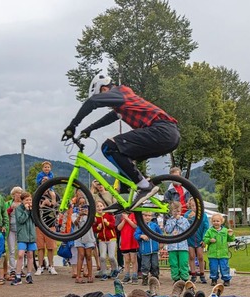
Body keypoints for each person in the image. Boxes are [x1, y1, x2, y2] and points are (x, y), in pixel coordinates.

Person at [63, 72, 180, 211]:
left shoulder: (120, 92)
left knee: (109, 147)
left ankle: (145, 186)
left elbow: (92, 102)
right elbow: (110, 117)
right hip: (168, 137)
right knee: (123, 158)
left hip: (162, 131)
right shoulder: (122, 104)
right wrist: (88, 129)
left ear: (104, 89)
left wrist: (73, 125)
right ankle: (124, 198)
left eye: (102, 94)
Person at [35, 176, 59, 276]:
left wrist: (52, 203)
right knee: (40, 247)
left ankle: (51, 266)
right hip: (39, 224)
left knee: (51, 247)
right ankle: (40, 266)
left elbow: (58, 209)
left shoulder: (55, 195)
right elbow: (33, 208)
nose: (45, 183)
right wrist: (42, 205)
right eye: (43, 181)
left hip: (50, 223)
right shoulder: (37, 194)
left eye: (47, 181)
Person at [203, 213, 234, 287]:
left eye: (217, 221)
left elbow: (231, 239)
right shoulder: (209, 231)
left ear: (221, 221)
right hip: (213, 254)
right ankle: (214, 279)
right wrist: (210, 240)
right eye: (214, 221)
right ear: (211, 222)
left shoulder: (225, 231)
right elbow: (205, 239)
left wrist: (231, 234)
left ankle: (226, 279)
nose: (216, 222)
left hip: (223, 254)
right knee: (213, 267)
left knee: (224, 267)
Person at [13, 191, 37, 285]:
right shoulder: (18, 209)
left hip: (31, 235)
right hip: (22, 235)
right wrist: (26, 211)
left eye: (30, 200)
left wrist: (31, 211)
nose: (29, 201)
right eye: (27, 200)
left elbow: (36, 221)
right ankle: (18, 275)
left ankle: (29, 275)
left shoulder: (33, 209)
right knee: (20, 254)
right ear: (22, 201)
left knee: (30, 255)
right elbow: (21, 220)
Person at [72, 194, 96, 284]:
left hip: (89, 237)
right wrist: (79, 216)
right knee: (81, 255)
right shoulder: (74, 214)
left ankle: (90, 275)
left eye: (83, 203)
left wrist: (88, 214)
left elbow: (94, 222)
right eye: (80, 203)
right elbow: (75, 224)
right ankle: (78, 276)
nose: (82, 205)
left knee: (89, 255)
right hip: (79, 238)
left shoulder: (89, 213)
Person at [165, 201, 191, 284]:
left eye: (178, 211)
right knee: (174, 263)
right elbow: (167, 230)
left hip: (182, 246)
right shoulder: (169, 221)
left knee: (183, 263)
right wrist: (174, 221)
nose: (176, 213)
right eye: (174, 211)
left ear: (181, 211)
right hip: (172, 246)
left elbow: (186, 229)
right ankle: (176, 278)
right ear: (171, 211)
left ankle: (184, 278)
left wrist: (178, 221)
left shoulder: (184, 220)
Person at [134, 212, 161, 291]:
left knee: (155, 265)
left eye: (149, 215)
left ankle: (155, 278)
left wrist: (161, 242)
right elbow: (135, 235)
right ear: (142, 216)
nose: (147, 217)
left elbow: (160, 234)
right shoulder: (140, 226)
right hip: (145, 250)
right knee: (145, 265)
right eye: (145, 215)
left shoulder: (154, 225)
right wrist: (141, 236)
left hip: (154, 250)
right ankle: (145, 278)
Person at [186, 198, 209, 284]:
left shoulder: (203, 215)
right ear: (190, 206)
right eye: (192, 206)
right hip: (190, 239)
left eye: (196, 205)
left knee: (200, 256)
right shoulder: (187, 215)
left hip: (199, 239)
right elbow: (185, 226)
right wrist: (188, 218)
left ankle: (202, 274)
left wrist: (204, 239)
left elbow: (206, 227)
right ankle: (193, 274)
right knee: (191, 256)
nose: (194, 207)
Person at [93, 200, 118, 280]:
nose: (99, 208)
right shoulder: (95, 217)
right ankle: (104, 273)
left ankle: (115, 270)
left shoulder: (109, 214)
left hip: (111, 238)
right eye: (97, 206)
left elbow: (113, 225)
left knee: (111, 256)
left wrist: (107, 223)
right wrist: (98, 228)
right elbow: (94, 229)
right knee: (102, 257)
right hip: (102, 240)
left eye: (101, 206)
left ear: (104, 207)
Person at [5, 186, 22, 279]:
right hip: (11, 228)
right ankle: (12, 269)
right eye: (17, 193)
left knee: (21, 250)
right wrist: (11, 208)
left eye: (20, 193)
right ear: (13, 195)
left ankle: (20, 268)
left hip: (21, 229)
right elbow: (4, 214)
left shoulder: (23, 204)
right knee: (12, 250)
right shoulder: (8, 204)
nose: (18, 195)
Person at [117, 212, 138, 284]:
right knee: (126, 260)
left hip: (133, 240)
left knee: (133, 259)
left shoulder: (134, 214)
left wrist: (127, 218)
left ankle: (135, 275)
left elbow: (135, 226)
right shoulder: (121, 215)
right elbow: (119, 228)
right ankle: (127, 275)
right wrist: (124, 220)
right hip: (125, 241)